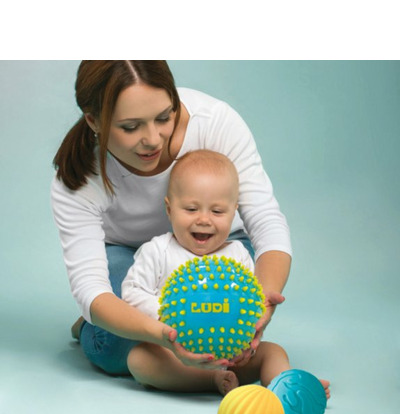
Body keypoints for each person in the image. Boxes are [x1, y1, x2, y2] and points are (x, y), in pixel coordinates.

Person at [51, 60, 293, 379]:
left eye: (164, 117)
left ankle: (190, 367)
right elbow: (90, 288)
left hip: (216, 249)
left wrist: (262, 299)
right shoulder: (78, 175)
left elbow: (266, 221)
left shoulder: (215, 122)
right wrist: (163, 334)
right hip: (132, 259)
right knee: (113, 349)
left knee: (228, 329)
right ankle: (94, 328)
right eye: (130, 126)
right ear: (94, 120)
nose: (153, 139)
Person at [122, 149, 315, 396]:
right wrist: (172, 311)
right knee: (139, 360)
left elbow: (249, 304)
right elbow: (131, 292)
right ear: (169, 209)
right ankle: (209, 380)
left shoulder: (237, 255)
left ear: (234, 212)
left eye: (217, 211)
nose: (204, 219)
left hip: (231, 357)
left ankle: (288, 391)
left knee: (274, 351)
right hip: (177, 356)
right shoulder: (158, 250)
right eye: (191, 209)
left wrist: (250, 341)